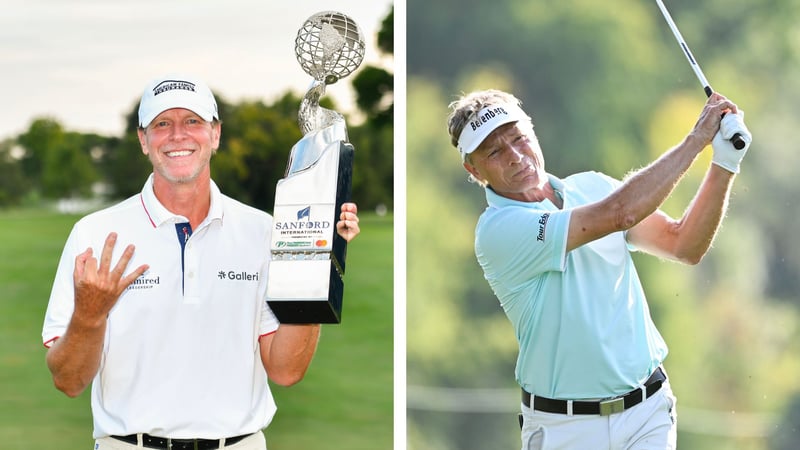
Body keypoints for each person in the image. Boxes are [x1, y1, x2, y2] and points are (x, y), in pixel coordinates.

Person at [41, 74, 360, 450]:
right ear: (144, 140)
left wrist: (316, 262)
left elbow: (286, 369)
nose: (178, 135)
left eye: (193, 121)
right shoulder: (94, 234)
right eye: (162, 124)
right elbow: (69, 381)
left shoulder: (264, 232)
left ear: (215, 134)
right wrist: (89, 316)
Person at [446, 89, 751, 449]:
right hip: (565, 429)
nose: (515, 157)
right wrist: (696, 140)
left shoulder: (592, 186)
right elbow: (620, 213)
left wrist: (725, 163)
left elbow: (684, 243)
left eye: (518, 138)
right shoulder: (499, 230)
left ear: (533, 132)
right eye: (494, 151)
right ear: (473, 168)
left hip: (647, 414)